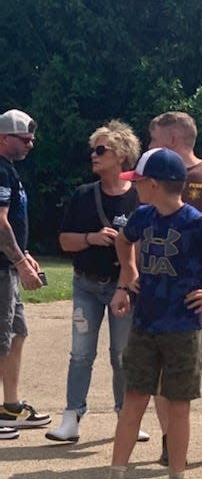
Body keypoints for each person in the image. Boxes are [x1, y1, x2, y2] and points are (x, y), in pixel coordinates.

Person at [88, 148, 202, 479]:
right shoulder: (143, 215)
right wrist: (127, 275)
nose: (136, 188)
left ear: (157, 184)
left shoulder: (196, 222)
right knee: (134, 400)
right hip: (145, 323)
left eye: (140, 182)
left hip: (181, 327)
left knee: (178, 405)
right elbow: (123, 239)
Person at [47, 121, 149, 444]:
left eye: (101, 149)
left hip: (124, 286)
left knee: (122, 354)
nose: (94, 155)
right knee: (80, 353)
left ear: (121, 155)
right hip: (86, 284)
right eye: (93, 149)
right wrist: (91, 238)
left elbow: (143, 248)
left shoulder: (138, 197)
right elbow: (64, 241)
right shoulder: (83, 195)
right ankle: (71, 417)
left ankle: (127, 417)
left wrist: (125, 283)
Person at [147, 111, 202, 465]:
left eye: (153, 139)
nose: (149, 146)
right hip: (161, 295)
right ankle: (170, 439)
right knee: (160, 372)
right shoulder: (150, 180)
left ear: (172, 141)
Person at [0, 108, 50, 437]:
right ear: (4, 138)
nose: (31, 144)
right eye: (25, 139)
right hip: (2, 268)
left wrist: (25, 255)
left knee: (17, 335)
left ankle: (9, 407)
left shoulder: (9, 170)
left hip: (9, 265)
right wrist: (19, 261)